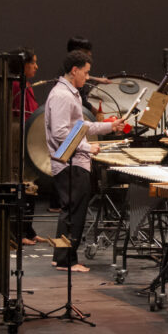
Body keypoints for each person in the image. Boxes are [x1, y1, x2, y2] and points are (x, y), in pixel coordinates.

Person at [45, 50, 124, 272]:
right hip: (69, 163)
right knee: (73, 212)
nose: (88, 77)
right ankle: (65, 261)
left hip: (75, 160)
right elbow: (61, 133)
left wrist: (110, 126)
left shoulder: (70, 93)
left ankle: (61, 257)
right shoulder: (62, 95)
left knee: (72, 210)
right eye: (86, 73)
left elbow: (81, 127)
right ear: (74, 70)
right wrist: (88, 147)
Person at [8, 47, 44, 245]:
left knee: (30, 185)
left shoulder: (25, 84)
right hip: (18, 137)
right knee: (20, 185)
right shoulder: (15, 85)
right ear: (23, 65)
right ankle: (18, 233)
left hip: (27, 135)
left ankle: (28, 231)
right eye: (33, 63)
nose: (37, 66)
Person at [66, 36, 112, 119]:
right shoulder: (64, 92)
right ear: (77, 51)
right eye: (86, 51)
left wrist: (97, 79)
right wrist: (98, 114)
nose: (90, 53)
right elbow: (82, 103)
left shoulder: (70, 70)